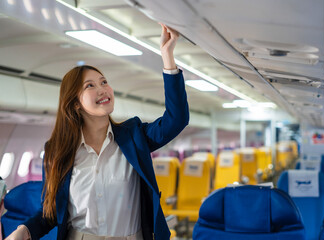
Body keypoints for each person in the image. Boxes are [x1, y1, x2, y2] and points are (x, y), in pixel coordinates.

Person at [5, 23, 189, 240]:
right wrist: (23, 231)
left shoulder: (134, 136)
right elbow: (51, 213)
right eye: (90, 86)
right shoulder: (56, 151)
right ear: (75, 104)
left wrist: (167, 56)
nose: (102, 88)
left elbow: (176, 119)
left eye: (104, 82)